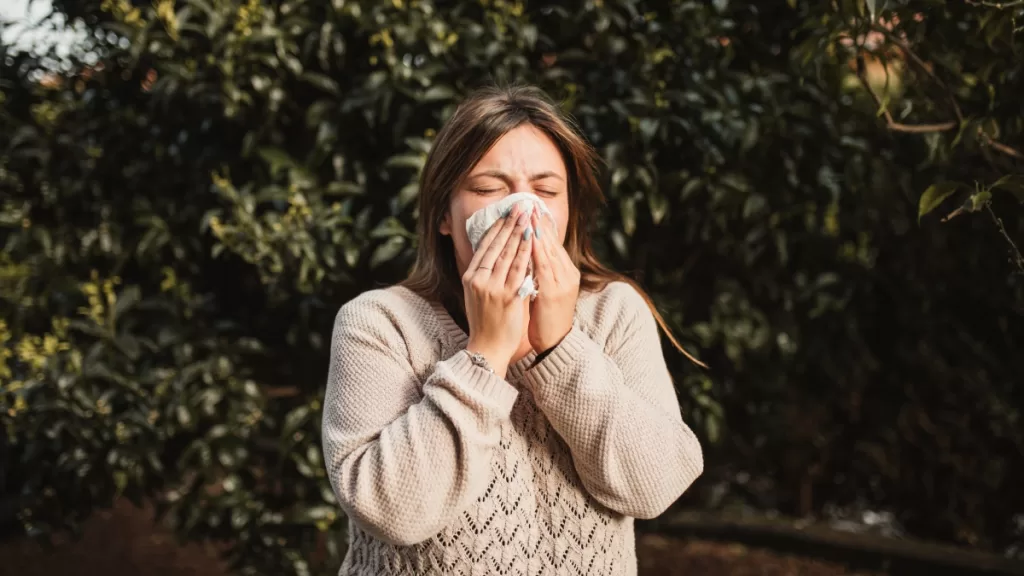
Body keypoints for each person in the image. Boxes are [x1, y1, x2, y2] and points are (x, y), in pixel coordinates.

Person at [321, 85, 704, 576]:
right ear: (443, 213)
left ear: (568, 213)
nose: (523, 211)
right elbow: (393, 511)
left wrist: (560, 348)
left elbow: (655, 486)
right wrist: (485, 355)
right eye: (488, 189)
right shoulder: (379, 322)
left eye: (545, 192)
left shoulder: (614, 312)